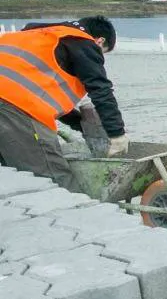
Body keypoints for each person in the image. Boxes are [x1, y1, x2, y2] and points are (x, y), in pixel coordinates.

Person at [0, 16, 128, 190]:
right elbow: (101, 90)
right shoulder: (82, 42)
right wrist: (117, 134)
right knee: (57, 183)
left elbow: (37, 92)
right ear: (99, 41)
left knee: (11, 175)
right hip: (14, 110)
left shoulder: (34, 36)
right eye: (102, 52)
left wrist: (80, 124)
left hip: (11, 103)